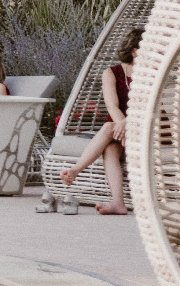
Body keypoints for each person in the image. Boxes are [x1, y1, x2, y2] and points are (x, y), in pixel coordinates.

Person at [55, 28, 140, 215]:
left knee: (109, 126)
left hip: (144, 124)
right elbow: (112, 106)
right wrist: (123, 125)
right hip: (119, 130)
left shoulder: (152, 73)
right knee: (110, 148)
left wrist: (127, 124)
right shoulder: (111, 73)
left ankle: (76, 170)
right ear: (135, 50)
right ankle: (118, 202)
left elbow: (149, 107)